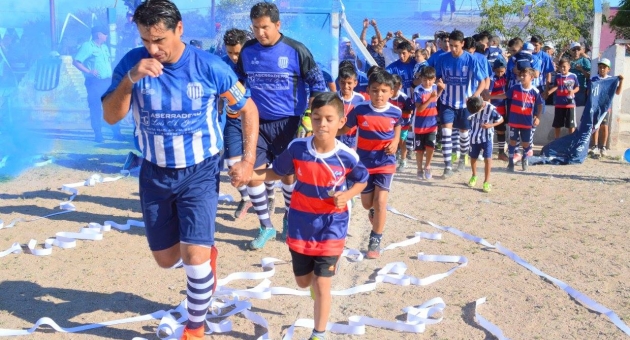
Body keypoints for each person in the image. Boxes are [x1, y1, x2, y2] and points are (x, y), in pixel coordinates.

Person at [100, 2, 259, 339]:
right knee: (166, 259)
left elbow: (248, 109)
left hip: (200, 172)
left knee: (194, 259)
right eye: (145, 40)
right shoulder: (132, 63)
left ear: (179, 29)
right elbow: (111, 116)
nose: (153, 49)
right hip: (155, 173)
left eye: (159, 40)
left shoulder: (210, 67)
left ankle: (195, 327)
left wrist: (246, 160)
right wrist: (130, 80)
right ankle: (204, 260)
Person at [243, 92, 368, 340]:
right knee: (303, 282)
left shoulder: (347, 156)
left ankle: (318, 333)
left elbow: (361, 180)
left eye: (329, 119)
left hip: (332, 225)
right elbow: (274, 173)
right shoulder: (297, 148)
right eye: (317, 117)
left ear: (341, 122)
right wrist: (247, 175)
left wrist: (348, 195)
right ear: (310, 119)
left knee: (322, 284)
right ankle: (315, 285)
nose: (322, 124)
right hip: (300, 224)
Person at [236, 2, 327, 249]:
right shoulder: (247, 51)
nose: (260, 33)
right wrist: (234, 103)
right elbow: (239, 82)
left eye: (265, 27)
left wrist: (310, 117)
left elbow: (318, 85)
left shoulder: (296, 50)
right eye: (255, 28)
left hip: (290, 122)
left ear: (278, 24)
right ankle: (265, 225)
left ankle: (290, 216)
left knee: (287, 174)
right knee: (252, 173)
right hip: (257, 123)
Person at [338, 71, 401, 259]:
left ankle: (375, 239)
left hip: (385, 163)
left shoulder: (395, 111)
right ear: (368, 91)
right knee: (367, 204)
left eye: (383, 91)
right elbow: (344, 129)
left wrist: (396, 141)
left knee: (381, 201)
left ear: (391, 92)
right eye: (375, 90)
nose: (379, 95)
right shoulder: (359, 109)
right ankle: (373, 210)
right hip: (364, 163)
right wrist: (325, 133)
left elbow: (398, 125)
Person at [434, 30, 485, 178]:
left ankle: (463, 157)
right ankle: (447, 166)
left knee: (464, 134)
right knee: (446, 133)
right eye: (451, 45)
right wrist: (438, 83)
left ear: (463, 44)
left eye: (456, 46)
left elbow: (482, 82)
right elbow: (437, 77)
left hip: (465, 104)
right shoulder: (443, 59)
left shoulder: (471, 60)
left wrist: (474, 96)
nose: (453, 49)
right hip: (447, 102)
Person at [220, 28, 255, 219]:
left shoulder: (254, 63)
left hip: (254, 121)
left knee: (257, 165)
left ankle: (269, 197)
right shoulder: (222, 65)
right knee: (232, 164)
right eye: (230, 52)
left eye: (237, 53)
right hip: (233, 122)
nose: (234, 57)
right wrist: (218, 106)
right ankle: (245, 197)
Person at [73, 25, 123, 142]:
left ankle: (116, 132)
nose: (107, 35)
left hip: (107, 81)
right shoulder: (87, 46)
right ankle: (98, 134)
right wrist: (88, 71)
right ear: (98, 34)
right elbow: (76, 61)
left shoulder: (104, 47)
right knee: (96, 108)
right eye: (104, 33)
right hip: (94, 83)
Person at [493, 67, 543, 171]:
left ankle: (525, 158)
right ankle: (511, 162)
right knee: (512, 142)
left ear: (532, 78)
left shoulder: (535, 91)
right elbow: (504, 96)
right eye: (521, 75)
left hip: (526, 121)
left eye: (524, 76)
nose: (522, 77)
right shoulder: (515, 87)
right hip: (514, 120)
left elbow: (540, 105)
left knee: (526, 143)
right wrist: (490, 96)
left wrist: (538, 117)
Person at [466, 97, 503, 193]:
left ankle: (486, 181)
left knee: (488, 158)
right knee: (473, 157)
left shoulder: (491, 109)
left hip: (487, 137)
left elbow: (501, 119)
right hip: (474, 136)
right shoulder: (471, 103)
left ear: (482, 106)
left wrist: (491, 125)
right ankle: (474, 175)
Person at [413, 66, 444, 180]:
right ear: (421, 79)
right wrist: (430, 99)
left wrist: (440, 89)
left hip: (432, 123)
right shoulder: (418, 90)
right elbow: (419, 108)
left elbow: (436, 98)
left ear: (434, 79)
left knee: (430, 147)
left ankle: (428, 166)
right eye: (425, 80)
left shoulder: (435, 87)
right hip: (419, 125)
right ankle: (419, 169)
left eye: (430, 80)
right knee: (419, 150)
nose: (427, 82)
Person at [589, 58, 624, 157]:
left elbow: (617, 92)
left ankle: (603, 146)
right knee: (595, 126)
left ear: (609, 69)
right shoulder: (594, 79)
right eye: (600, 67)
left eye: (604, 67)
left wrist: (621, 81)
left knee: (604, 126)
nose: (602, 69)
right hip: (595, 107)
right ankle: (595, 146)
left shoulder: (611, 80)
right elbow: (589, 92)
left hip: (605, 108)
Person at [545, 59, 579, 139]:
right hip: (559, 104)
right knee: (557, 124)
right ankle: (557, 140)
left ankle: (570, 140)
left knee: (571, 125)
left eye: (564, 67)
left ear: (569, 67)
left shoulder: (573, 76)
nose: (563, 69)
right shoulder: (558, 76)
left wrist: (573, 91)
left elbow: (577, 87)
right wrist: (549, 92)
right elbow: (556, 86)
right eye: (561, 67)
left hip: (569, 104)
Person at [337, 66, 366, 149]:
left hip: (352, 138)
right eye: (343, 82)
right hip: (336, 137)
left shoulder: (360, 99)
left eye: (349, 83)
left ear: (355, 83)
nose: (346, 86)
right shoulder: (334, 97)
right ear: (339, 82)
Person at [389, 74, 414, 170]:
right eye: (392, 86)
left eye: (396, 86)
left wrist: (398, 111)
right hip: (391, 126)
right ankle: (392, 160)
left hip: (403, 124)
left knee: (402, 142)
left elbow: (411, 110)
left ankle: (403, 161)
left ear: (400, 86)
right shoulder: (388, 97)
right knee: (391, 142)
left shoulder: (404, 98)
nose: (394, 88)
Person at [489, 58, 509, 161]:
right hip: (493, 109)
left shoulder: (506, 78)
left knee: (501, 131)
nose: (500, 73)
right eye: (498, 71)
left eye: (502, 71)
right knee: (489, 130)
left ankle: (501, 153)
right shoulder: (492, 79)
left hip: (502, 110)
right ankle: (487, 152)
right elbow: (488, 95)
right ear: (494, 69)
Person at [568, 42, 591, 106]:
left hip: (581, 89)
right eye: (574, 49)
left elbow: (589, 77)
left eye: (578, 49)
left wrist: (581, 69)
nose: (576, 51)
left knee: (579, 109)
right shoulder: (567, 61)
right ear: (570, 51)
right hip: (569, 89)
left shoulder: (585, 61)